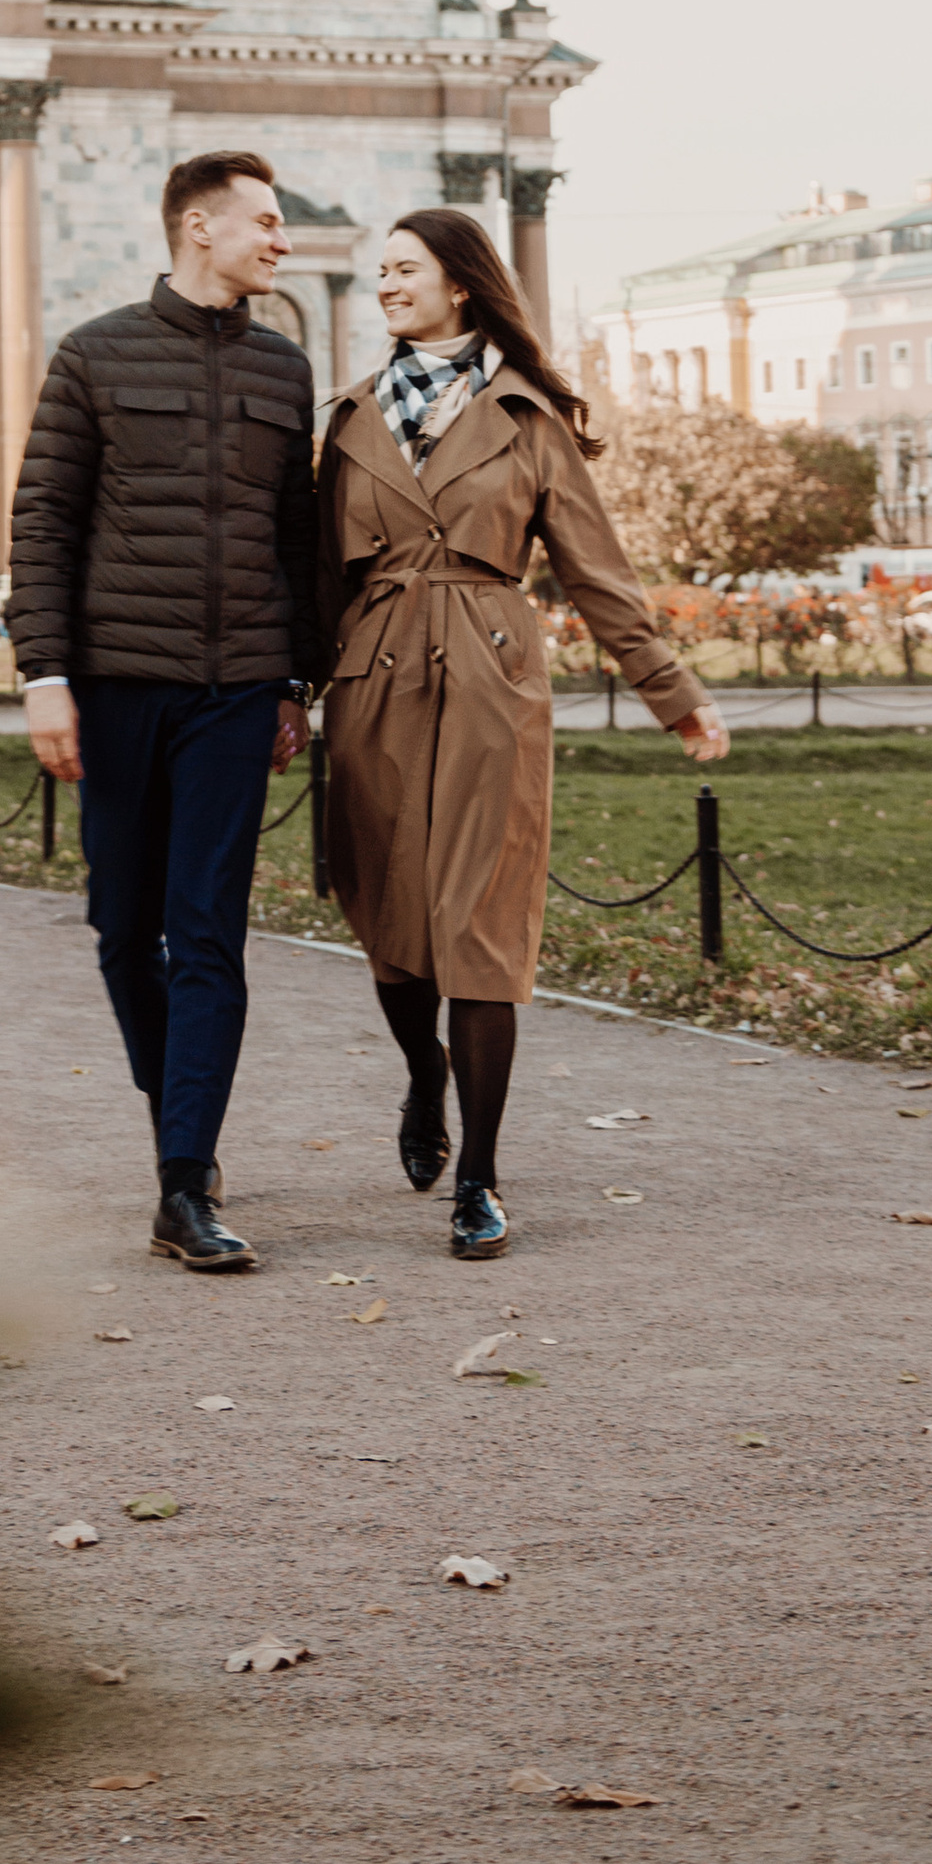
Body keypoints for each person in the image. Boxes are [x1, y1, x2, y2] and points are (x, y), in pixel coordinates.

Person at [317, 207, 730, 1261]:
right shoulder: (349, 417)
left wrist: (671, 693)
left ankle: (481, 1178)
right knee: (390, 919)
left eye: (403, 269)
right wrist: (286, 694)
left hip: (494, 682)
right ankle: (424, 1077)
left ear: (459, 283)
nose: (384, 286)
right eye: (378, 273)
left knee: (482, 929)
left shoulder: (527, 416)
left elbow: (598, 572)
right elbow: (313, 581)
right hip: (372, 682)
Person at [11, 150, 318, 1277]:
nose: (282, 240)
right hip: (113, 687)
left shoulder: (286, 371)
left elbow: (297, 541)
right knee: (120, 929)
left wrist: (295, 679)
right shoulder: (92, 355)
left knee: (208, 934)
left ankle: (184, 1181)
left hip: (235, 691)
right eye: (266, 222)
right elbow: (43, 521)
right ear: (199, 226)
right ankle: (173, 1116)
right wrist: (44, 674)